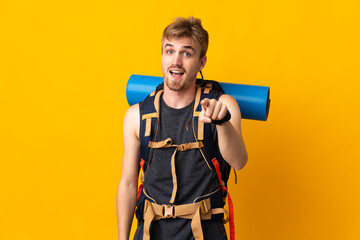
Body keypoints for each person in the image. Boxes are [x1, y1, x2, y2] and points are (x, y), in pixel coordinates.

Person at [117, 17, 248, 240]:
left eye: (186, 53)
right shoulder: (135, 116)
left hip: (205, 233)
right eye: (169, 51)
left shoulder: (223, 106)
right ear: (162, 56)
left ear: (201, 62)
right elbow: (128, 183)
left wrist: (222, 121)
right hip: (150, 233)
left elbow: (239, 161)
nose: (176, 61)